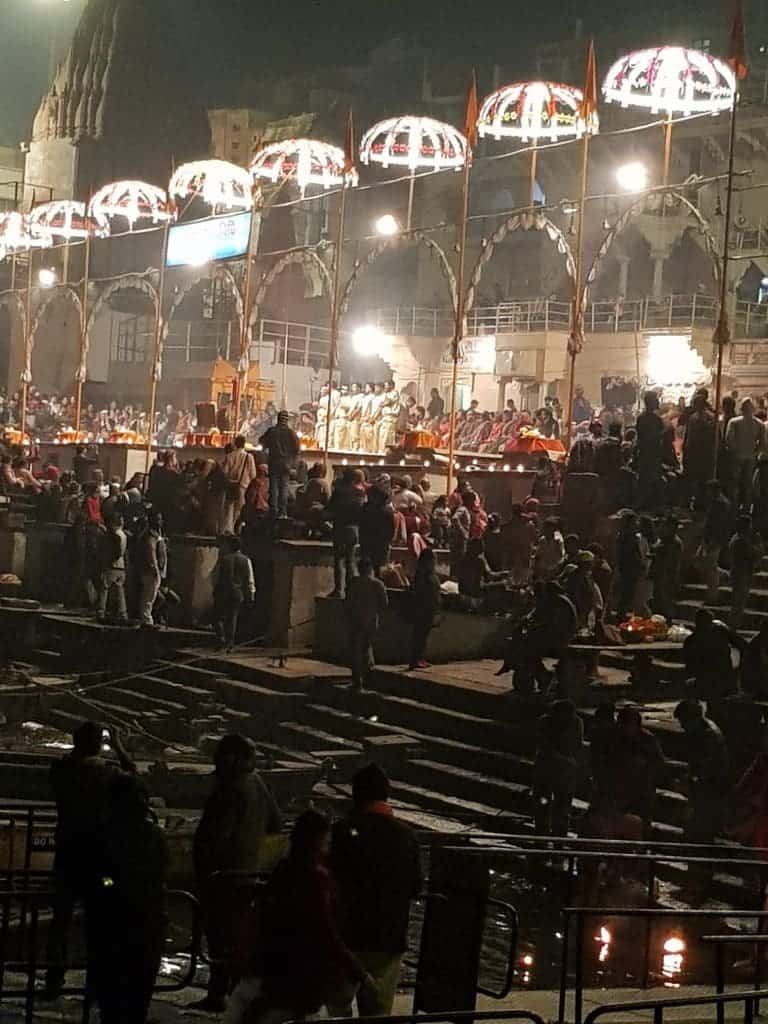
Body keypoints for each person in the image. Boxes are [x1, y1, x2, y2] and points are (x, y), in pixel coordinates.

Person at [45, 721, 136, 1000]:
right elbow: (134, 778)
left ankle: (54, 979)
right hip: (100, 862)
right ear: (99, 744)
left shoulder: (60, 771)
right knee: (100, 917)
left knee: (60, 918)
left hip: (67, 858)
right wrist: (120, 748)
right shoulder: (107, 774)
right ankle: (96, 981)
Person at [192, 735, 282, 1013]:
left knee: (220, 937)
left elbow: (218, 836)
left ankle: (221, 994)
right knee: (234, 937)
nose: (215, 763)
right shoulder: (257, 782)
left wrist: (206, 863)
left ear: (232, 758)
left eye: (220, 757)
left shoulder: (231, 788)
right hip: (246, 873)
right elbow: (276, 822)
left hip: (222, 875)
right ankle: (229, 993)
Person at [253, 810, 368, 1023]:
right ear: (318, 839)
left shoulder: (284, 869)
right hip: (308, 963)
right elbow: (325, 928)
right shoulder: (316, 877)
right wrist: (354, 966)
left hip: (281, 959)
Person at [329, 765, 421, 1018]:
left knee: (339, 1007)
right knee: (378, 1011)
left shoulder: (343, 831)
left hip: (349, 936)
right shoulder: (408, 836)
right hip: (389, 938)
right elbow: (415, 888)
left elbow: (332, 879)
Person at [84, 775, 167, 1024]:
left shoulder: (102, 832)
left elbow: (99, 874)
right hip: (145, 917)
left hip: (111, 917)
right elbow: (159, 872)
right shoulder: (152, 834)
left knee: (111, 995)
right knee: (137, 995)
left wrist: (109, 886)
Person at [674, 698, 730, 845]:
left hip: (710, 789)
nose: (682, 726)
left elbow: (707, 769)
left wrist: (689, 781)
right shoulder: (701, 731)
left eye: (683, 722)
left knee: (701, 830)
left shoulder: (709, 736)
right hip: (705, 786)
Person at [532, 700, 584, 836]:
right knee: (543, 805)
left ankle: (559, 835)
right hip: (546, 770)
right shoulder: (545, 722)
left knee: (563, 807)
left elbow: (578, 744)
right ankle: (542, 834)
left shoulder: (576, 722)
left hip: (565, 773)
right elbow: (543, 746)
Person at [610, 707, 665, 835]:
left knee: (643, 822)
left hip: (642, 788)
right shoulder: (617, 739)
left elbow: (658, 763)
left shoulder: (648, 740)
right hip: (621, 789)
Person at [683, 608, 744, 709]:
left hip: (717, 679)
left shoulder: (691, 640)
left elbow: (688, 665)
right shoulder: (720, 632)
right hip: (718, 679)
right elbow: (742, 645)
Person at [345, 559, 389, 692]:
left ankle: (357, 680)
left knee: (355, 652)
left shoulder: (353, 583)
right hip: (370, 621)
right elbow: (385, 603)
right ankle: (368, 679)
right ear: (370, 568)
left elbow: (348, 602)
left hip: (355, 621)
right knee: (366, 650)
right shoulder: (377, 584)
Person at [326, 468, 365, 600]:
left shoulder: (339, 492)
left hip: (340, 527)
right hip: (353, 528)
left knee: (338, 560)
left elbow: (330, 508)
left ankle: (338, 589)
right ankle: (350, 590)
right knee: (350, 560)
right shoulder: (359, 493)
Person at [213, 535, 256, 651]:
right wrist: (251, 594)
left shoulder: (224, 559)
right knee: (232, 618)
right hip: (237, 593)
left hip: (223, 591)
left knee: (218, 616)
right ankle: (229, 642)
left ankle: (221, 637)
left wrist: (214, 588)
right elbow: (249, 579)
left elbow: (215, 575)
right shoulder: (246, 560)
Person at [725, 398, 765, 510]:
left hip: (737, 456)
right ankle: (746, 507)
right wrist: (755, 452)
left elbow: (729, 439)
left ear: (741, 408)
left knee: (735, 482)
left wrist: (734, 451)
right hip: (751, 457)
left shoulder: (734, 422)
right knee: (748, 483)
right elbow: (762, 443)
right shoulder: (759, 424)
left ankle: (734, 506)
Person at [260, 411, 300, 519]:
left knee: (273, 488)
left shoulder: (272, 431)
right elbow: (297, 450)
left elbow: (262, 441)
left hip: (273, 462)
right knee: (284, 488)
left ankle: (273, 510)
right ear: (287, 420)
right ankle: (283, 512)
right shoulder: (291, 433)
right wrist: (293, 465)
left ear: (278, 419)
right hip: (286, 464)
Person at [699, 480, 733, 605]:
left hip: (714, 539)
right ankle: (725, 575)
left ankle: (713, 595)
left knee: (711, 568)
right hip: (711, 538)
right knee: (710, 566)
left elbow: (719, 525)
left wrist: (714, 540)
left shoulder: (720, 504)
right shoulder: (717, 503)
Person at [729, 514, 763, 629]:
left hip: (739, 573)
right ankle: (734, 626)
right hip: (741, 574)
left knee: (738, 603)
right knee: (738, 603)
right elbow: (753, 554)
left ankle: (734, 624)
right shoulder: (741, 540)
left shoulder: (738, 538)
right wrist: (759, 544)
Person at [409, 548, 441, 670]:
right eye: (433, 559)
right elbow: (421, 591)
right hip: (424, 609)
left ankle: (419, 658)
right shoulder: (423, 574)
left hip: (428, 608)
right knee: (420, 635)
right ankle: (416, 659)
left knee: (423, 635)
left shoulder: (427, 573)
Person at [221, 436, 258, 534]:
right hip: (243, 487)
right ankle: (236, 529)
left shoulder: (229, 456)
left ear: (235, 444)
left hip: (231, 486)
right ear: (244, 444)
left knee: (229, 509)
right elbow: (253, 474)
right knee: (239, 509)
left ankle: (228, 530)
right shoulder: (249, 457)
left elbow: (224, 473)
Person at [96, 513, 128, 625]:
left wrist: (108, 560)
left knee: (104, 588)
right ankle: (122, 613)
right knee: (120, 591)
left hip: (111, 565)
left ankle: (101, 612)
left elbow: (115, 551)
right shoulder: (124, 534)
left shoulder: (114, 535)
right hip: (121, 566)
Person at [358, 483, 395, 576]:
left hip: (367, 543)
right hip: (381, 544)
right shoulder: (387, 512)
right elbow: (391, 530)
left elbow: (361, 525)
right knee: (381, 571)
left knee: (365, 570)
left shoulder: (365, 509)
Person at [635, 390, 665, 509]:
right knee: (651, 479)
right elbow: (654, 436)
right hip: (651, 454)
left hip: (646, 453)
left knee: (646, 479)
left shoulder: (642, 418)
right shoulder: (654, 419)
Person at [652, 515, 683, 624]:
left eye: (667, 525)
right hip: (659, 574)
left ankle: (667, 623)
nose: (664, 527)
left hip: (668, 576)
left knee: (667, 602)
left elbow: (671, 561)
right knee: (658, 601)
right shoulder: (663, 539)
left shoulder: (675, 542)